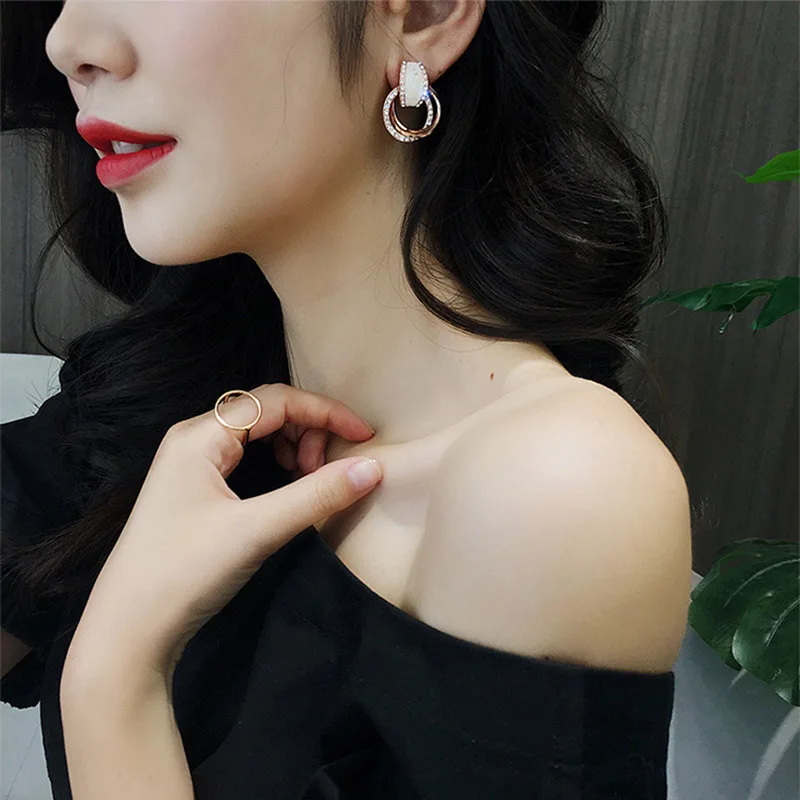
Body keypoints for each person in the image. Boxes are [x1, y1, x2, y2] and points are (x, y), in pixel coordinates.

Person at [1, 1, 692, 797]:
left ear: (424, 14)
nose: (67, 42)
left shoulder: (558, 489)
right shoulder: (178, 401)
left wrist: (113, 676)